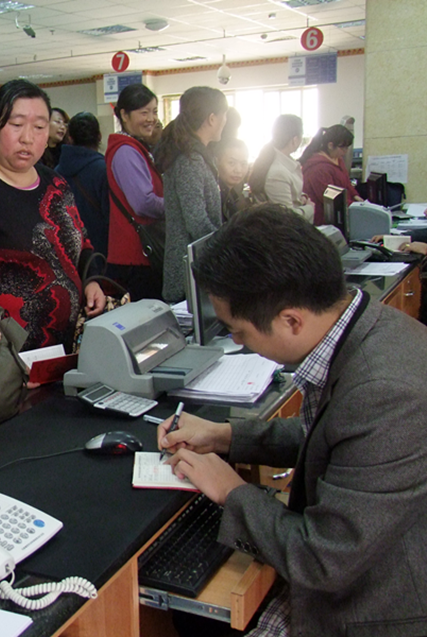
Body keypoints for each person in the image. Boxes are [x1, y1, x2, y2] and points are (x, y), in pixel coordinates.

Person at [160, 205, 427, 637]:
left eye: (239, 331)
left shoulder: (385, 392)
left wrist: (232, 490)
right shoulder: (371, 326)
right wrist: (225, 435)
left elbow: (321, 560)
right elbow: (334, 435)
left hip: (373, 606)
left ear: (291, 321)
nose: (238, 341)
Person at [0, 79, 106, 352]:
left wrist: (91, 281)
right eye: (16, 125)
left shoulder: (56, 183)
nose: (28, 138)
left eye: (39, 127)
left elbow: (81, 242)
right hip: (8, 355)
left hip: (69, 347)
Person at [155, 86, 228, 303]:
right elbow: (197, 222)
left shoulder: (197, 155)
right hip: (188, 273)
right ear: (212, 118)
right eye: (224, 115)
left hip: (197, 268)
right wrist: (228, 246)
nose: (225, 121)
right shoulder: (190, 160)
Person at [105, 83, 164, 300]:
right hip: (135, 256)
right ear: (124, 115)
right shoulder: (126, 151)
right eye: (144, 112)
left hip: (139, 254)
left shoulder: (136, 147)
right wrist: (176, 206)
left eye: (154, 112)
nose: (151, 119)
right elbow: (143, 203)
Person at [55, 111, 109, 255]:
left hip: (68, 251)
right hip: (101, 250)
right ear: (99, 136)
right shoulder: (104, 170)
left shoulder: (56, 173)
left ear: (70, 138)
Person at [247, 114, 314, 221]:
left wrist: (302, 198)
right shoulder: (278, 172)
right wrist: (310, 208)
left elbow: (290, 193)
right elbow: (288, 218)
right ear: (295, 140)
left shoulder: (281, 161)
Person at [299, 124, 362, 225]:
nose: (345, 151)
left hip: (341, 212)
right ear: (330, 145)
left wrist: (356, 196)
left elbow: (346, 183)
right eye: (342, 148)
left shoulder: (337, 159)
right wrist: (356, 207)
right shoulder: (318, 168)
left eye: (347, 147)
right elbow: (330, 198)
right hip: (324, 219)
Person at [212, 137, 249, 220]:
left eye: (243, 164)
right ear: (217, 162)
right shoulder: (213, 194)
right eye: (231, 163)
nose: (238, 170)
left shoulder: (236, 193)